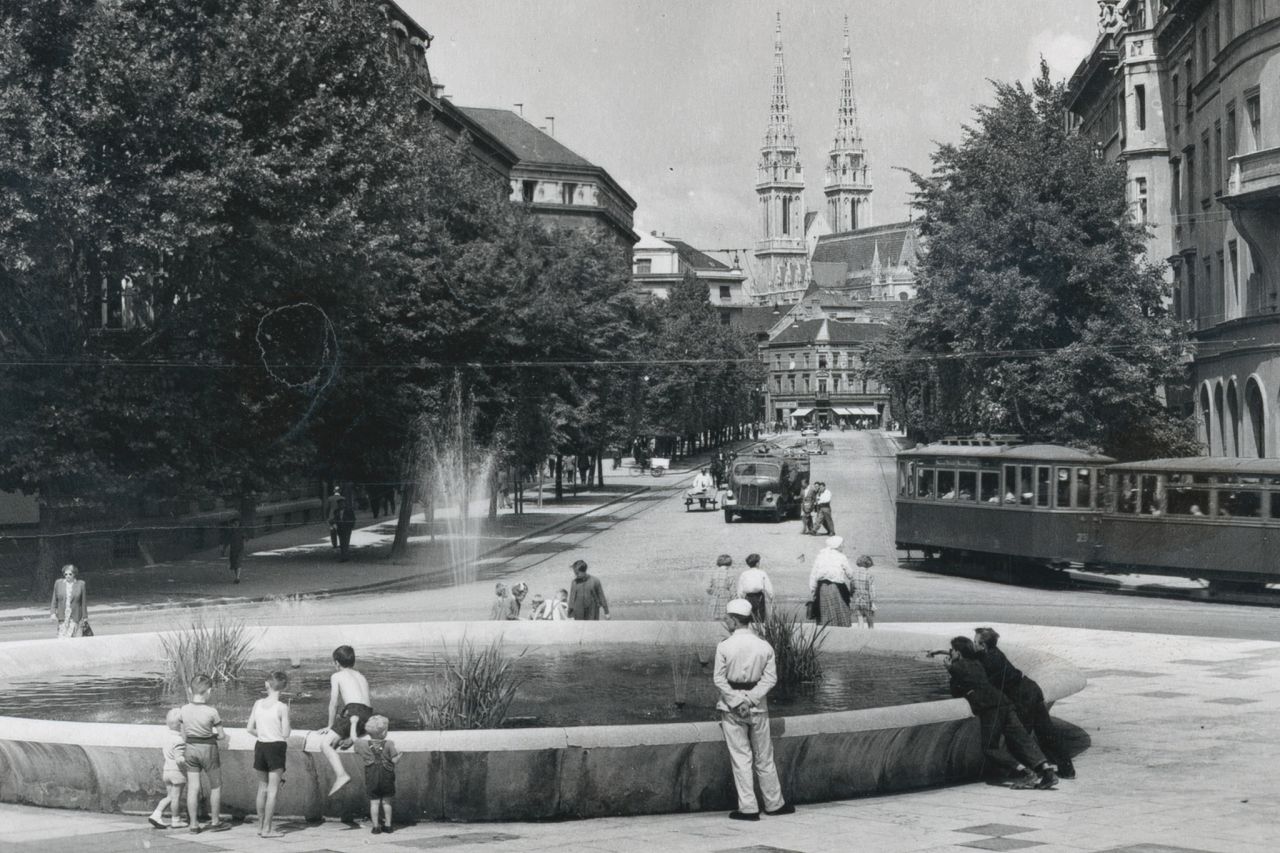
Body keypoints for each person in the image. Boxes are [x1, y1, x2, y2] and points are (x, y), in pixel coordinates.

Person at [938, 637, 1058, 790]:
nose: (951, 653)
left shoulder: (957, 667)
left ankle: (1025, 772)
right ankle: (1047, 772)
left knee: (990, 748)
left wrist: (949, 670)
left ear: (958, 653)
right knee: (1023, 740)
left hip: (990, 708)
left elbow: (955, 692)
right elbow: (967, 662)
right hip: (1005, 702)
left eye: (952, 650)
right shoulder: (977, 661)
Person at [713, 599, 795, 821]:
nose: (726, 621)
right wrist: (750, 699)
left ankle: (748, 807)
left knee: (741, 757)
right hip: (758, 707)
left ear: (734, 620)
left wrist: (737, 700)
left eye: (727, 618)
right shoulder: (764, 646)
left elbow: (719, 679)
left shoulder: (724, 646)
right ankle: (774, 803)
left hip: (732, 709)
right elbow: (770, 679)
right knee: (764, 756)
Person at [974, 627, 1075, 779]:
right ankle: (1067, 769)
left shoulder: (989, 660)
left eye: (975, 642)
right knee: (1046, 732)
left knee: (1018, 739)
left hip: (1023, 697)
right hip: (1031, 689)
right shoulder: (994, 653)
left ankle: (1029, 774)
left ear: (983, 645)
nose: (973, 644)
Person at [319, 645, 372, 796]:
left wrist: (330, 726)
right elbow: (364, 709)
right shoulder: (361, 676)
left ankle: (341, 775)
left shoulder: (336, 676)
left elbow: (334, 703)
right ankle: (350, 737)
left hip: (354, 711)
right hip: (367, 715)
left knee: (325, 744)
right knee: (339, 735)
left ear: (336, 662)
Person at [181, 674, 231, 832]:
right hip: (208, 750)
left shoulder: (183, 709)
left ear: (190, 690)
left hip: (190, 749)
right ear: (209, 691)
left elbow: (183, 735)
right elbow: (222, 735)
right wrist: (214, 736)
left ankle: (194, 824)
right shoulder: (212, 711)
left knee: (193, 787)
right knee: (216, 786)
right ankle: (215, 822)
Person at [247, 670, 291, 838]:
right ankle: (267, 829)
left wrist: (264, 733)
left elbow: (249, 728)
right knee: (272, 790)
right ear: (284, 687)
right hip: (276, 748)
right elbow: (286, 733)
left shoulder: (258, 703)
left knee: (262, 788)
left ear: (267, 685)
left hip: (261, 746)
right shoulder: (282, 707)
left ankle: (259, 826)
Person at [355, 715, 401, 835]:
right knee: (387, 802)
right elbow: (395, 760)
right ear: (384, 732)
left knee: (374, 803)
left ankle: (376, 827)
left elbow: (354, 739)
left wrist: (353, 723)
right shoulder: (389, 743)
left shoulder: (362, 744)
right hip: (386, 777)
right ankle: (388, 826)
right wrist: (401, 754)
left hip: (372, 777)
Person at [148, 708, 188, 829]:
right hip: (177, 773)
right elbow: (179, 758)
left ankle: (157, 813)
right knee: (175, 798)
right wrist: (188, 764)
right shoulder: (179, 741)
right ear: (181, 725)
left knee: (170, 796)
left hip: (167, 771)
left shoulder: (166, 738)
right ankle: (176, 819)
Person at [807, 537, 854, 627]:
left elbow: (814, 574)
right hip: (837, 587)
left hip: (822, 588)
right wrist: (852, 578)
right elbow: (849, 573)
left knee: (825, 612)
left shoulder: (821, 556)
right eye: (842, 544)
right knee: (841, 610)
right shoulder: (841, 556)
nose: (843, 546)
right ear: (837, 545)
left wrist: (813, 590)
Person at [49, 563, 87, 638]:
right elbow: (54, 599)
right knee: (61, 637)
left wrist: (85, 617)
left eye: (70, 574)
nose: (68, 576)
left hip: (75, 616)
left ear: (74, 574)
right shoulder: (58, 583)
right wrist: (52, 613)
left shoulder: (81, 584)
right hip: (62, 616)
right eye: (65, 574)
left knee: (70, 637)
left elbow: (83, 602)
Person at [736, 554, 774, 622]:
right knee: (759, 616)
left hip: (748, 597)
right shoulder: (762, 573)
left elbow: (740, 588)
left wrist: (740, 598)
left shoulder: (744, 574)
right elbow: (768, 587)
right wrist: (771, 596)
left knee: (748, 616)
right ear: (757, 563)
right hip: (759, 597)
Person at [705, 554, 736, 620]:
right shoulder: (730, 574)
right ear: (729, 563)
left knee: (714, 618)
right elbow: (733, 591)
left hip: (714, 598)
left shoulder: (713, 573)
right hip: (726, 598)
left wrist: (715, 592)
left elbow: (708, 588)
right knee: (726, 619)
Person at [851, 555, 877, 628]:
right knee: (870, 619)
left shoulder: (854, 574)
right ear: (868, 564)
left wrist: (852, 594)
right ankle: (871, 633)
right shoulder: (869, 574)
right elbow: (871, 590)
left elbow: (852, 587)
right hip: (867, 598)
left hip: (857, 598)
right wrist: (873, 601)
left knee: (860, 618)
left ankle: (860, 635)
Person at [331, 496, 356, 562]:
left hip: (347, 528)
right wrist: (334, 523)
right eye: (339, 504)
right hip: (340, 529)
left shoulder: (349, 510)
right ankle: (344, 556)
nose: (341, 505)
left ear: (344, 504)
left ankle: (344, 557)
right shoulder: (336, 511)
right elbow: (335, 519)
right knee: (342, 543)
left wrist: (351, 526)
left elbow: (353, 519)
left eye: (342, 503)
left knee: (346, 542)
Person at [227, 517, 244, 584]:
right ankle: (236, 576)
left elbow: (246, 537)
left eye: (237, 524)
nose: (235, 525)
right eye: (234, 524)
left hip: (240, 549)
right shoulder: (230, 532)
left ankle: (237, 578)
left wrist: (245, 537)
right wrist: (224, 549)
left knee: (238, 562)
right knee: (234, 564)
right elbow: (227, 541)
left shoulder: (241, 530)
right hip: (233, 550)